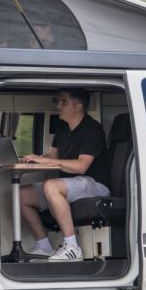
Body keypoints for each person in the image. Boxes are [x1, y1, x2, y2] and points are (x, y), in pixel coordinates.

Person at [19, 89, 110, 261]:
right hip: (69, 183)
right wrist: (33, 160)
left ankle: (72, 247)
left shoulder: (92, 129)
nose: (58, 106)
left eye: (63, 101)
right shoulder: (62, 126)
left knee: (51, 185)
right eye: (57, 101)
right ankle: (44, 247)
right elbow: (52, 156)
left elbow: (81, 166)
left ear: (78, 106)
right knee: (21, 195)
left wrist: (46, 161)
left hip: (95, 184)